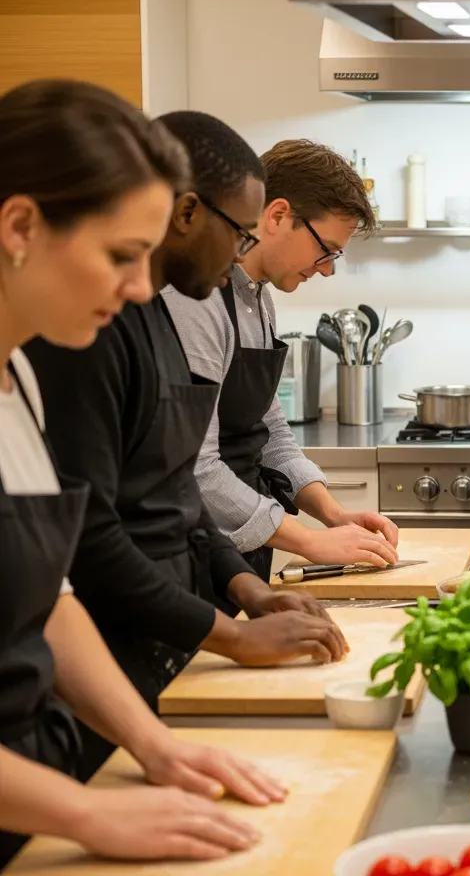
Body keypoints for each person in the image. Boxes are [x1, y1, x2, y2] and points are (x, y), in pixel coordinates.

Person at [0, 79, 285, 868]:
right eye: (121, 255)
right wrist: (87, 814)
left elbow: (48, 604)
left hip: (38, 777)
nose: (138, 288)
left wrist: (154, 747)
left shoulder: (16, 381)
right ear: (21, 225)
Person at [23, 111, 346, 779]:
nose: (139, 282)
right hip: (121, 648)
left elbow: (174, 488)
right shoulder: (73, 345)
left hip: (160, 639)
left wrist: (241, 588)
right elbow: (93, 541)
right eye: (121, 254)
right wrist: (229, 630)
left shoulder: (137, 321)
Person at [163, 139, 397, 585]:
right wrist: (308, 541)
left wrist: (333, 514)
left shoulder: (259, 299)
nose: (327, 270)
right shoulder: (198, 298)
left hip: (246, 548)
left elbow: (270, 432)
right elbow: (197, 467)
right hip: (193, 554)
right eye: (326, 249)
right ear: (277, 216)